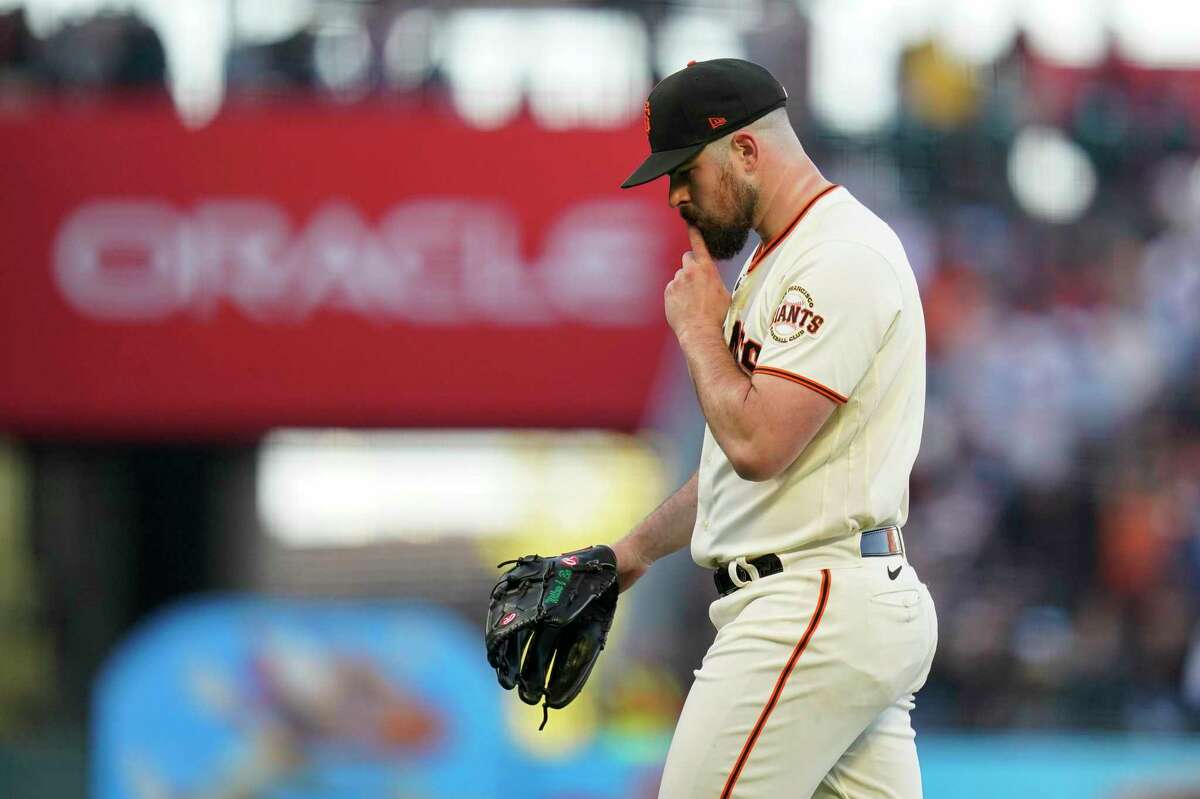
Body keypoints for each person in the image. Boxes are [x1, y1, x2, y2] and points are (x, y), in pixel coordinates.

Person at [614, 58, 938, 799]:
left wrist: (700, 331)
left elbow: (759, 446)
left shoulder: (838, 256)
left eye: (684, 171)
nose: (676, 198)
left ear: (747, 152)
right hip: (832, 600)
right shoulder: (782, 258)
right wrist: (630, 551)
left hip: (809, 607)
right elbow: (740, 465)